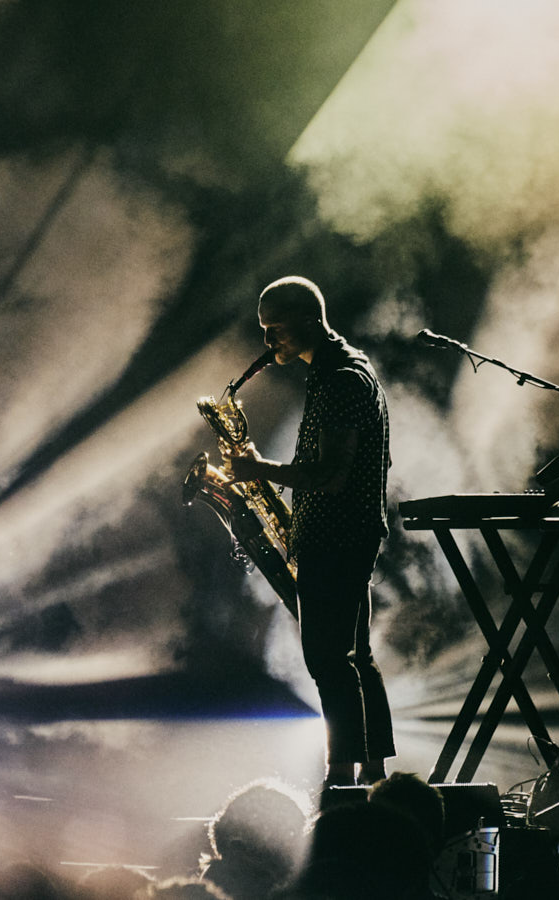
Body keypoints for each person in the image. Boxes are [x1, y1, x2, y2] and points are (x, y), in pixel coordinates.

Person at [226, 275, 395, 789]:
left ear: (306, 319)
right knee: (355, 656)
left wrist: (261, 471)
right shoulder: (338, 373)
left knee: (327, 658)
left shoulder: (343, 379)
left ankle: (340, 776)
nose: (268, 342)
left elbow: (331, 474)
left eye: (274, 329)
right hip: (344, 532)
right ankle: (371, 770)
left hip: (338, 535)